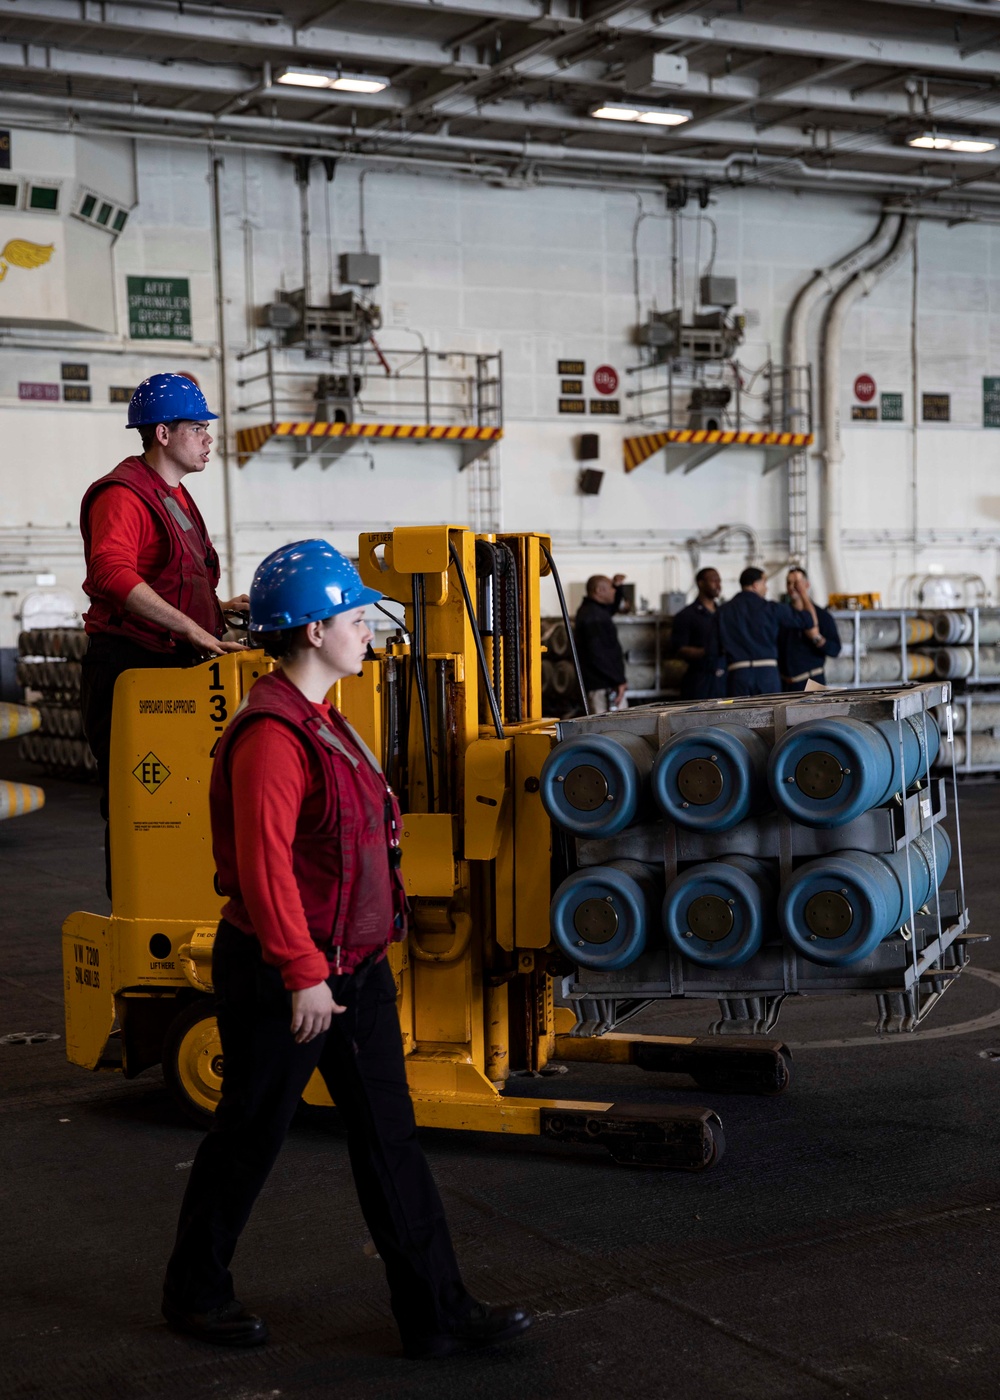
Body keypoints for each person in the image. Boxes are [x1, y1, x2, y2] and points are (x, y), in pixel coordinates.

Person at [161, 540, 532, 1359]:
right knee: (251, 1134)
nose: (368, 628)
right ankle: (193, 1289)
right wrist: (302, 974)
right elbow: (263, 870)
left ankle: (436, 1311)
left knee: (389, 1138)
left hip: (350, 972)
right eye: (356, 616)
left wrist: (355, 957)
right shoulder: (271, 736)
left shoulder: (329, 724)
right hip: (284, 975)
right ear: (311, 628)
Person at [79, 373, 248, 895]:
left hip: (173, 671)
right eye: (198, 427)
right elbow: (111, 573)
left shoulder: (173, 496)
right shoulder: (124, 495)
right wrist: (193, 627)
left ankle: (181, 900)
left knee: (186, 798)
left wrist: (216, 608)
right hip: (132, 671)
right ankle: (138, 905)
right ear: (163, 434)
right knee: (142, 803)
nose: (209, 439)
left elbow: (169, 580)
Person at [717, 566, 820, 697]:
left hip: (737, 674)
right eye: (764, 583)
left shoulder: (722, 611)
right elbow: (808, 620)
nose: (766, 588)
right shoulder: (771, 608)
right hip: (767, 675)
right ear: (755, 585)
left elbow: (713, 649)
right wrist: (803, 592)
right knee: (771, 716)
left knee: (737, 716)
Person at [779, 567, 842, 690]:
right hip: (785, 686)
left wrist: (817, 638)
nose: (792, 587)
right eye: (789, 583)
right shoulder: (782, 615)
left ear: (806, 585)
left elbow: (835, 649)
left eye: (797, 583)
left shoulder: (822, 616)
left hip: (811, 684)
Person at [574, 572, 627, 713]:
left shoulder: (593, 611)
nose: (613, 591)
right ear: (599, 591)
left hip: (602, 684)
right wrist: (618, 680)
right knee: (612, 731)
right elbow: (598, 654)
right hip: (603, 687)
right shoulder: (594, 617)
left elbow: (612, 607)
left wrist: (618, 586)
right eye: (611, 587)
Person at [670, 567, 726, 700]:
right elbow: (678, 649)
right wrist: (706, 652)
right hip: (700, 679)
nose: (718, 585)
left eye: (719, 581)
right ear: (700, 583)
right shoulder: (686, 615)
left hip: (724, 680)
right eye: (713, 581)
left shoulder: (724, 614)